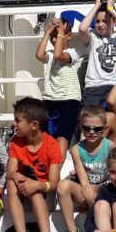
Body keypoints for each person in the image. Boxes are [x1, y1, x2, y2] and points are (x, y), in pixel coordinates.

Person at [6, 97, 65, 232]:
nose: (14, 124)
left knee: (35, 190)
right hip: (23, 189)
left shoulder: (51, 145)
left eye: (18, 120)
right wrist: (15, 175)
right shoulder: (16, 142)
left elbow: (53, 185)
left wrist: (37, 185)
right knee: (11, 183)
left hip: (44, 193)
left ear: (34, 125)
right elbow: (10, 171)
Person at [56, 105, 112, 232]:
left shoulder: (110, 147)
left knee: (98, 191)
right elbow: (84, 182)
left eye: (97, 129)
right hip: (86, 191)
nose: (92, 132)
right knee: (62, 185)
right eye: (87, 128)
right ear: (80, 127)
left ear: (105, 128)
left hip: (105, 194)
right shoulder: (76, 149)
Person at [35, 17, 83, 156]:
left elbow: (58, 55)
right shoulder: (48, 55)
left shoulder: (75, 53)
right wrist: (48, 31)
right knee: (47, 135)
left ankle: (58, 167)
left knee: (63, 135)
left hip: (69, 99)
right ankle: (50, 165)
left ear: (69, 36)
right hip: (50, 98)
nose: (54, 40)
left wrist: (60, 31)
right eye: (52, 37)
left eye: (57, 37)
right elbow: (39, 55)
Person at [78, 0, 116, 109]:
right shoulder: (93, 36)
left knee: (110, 120)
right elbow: (82, 29)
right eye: (97, 21)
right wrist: (96, 6)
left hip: (115, 86)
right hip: (93, 88)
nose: (100, 24)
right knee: (91, 122)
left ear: (114, 21)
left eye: (105, 21)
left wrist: (111, 10)